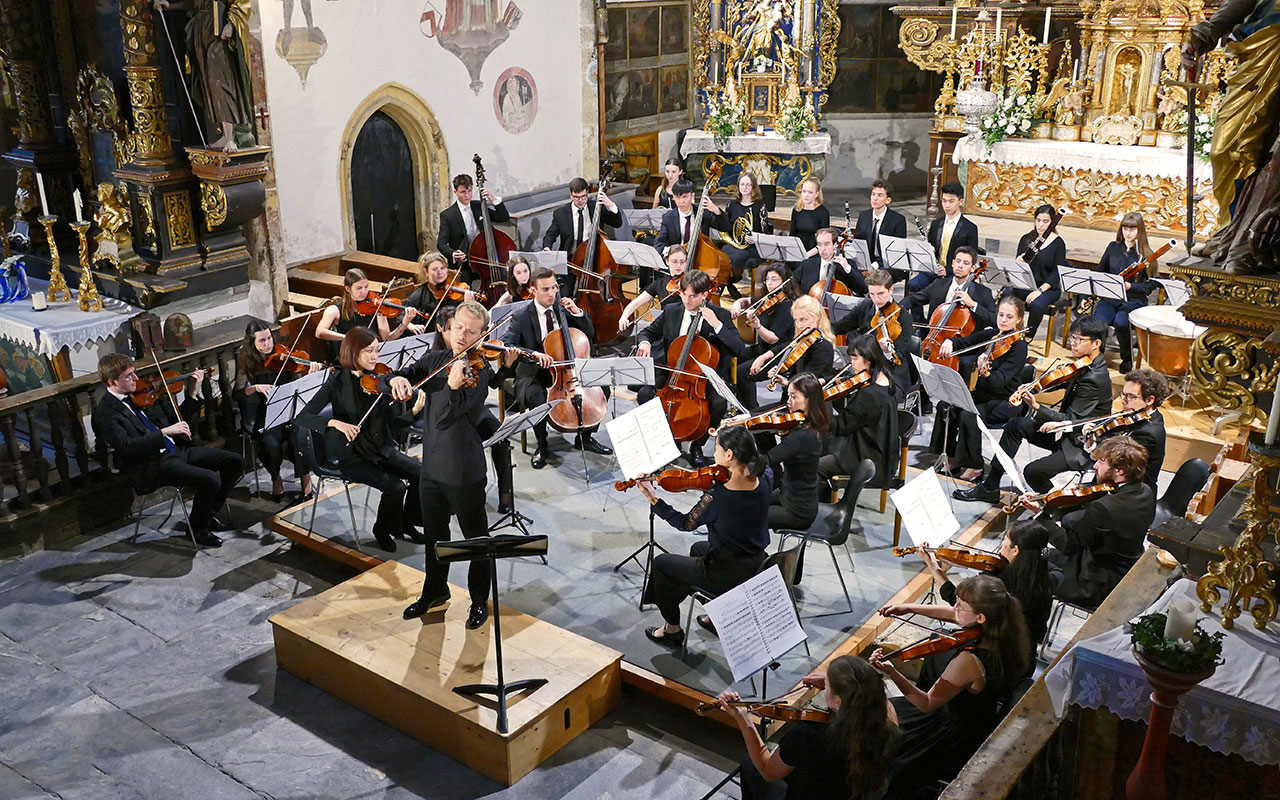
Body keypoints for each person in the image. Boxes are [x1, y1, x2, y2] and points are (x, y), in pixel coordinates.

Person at [385, 301, 498, 629]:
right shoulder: (435, 360)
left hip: (463, 471)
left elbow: (445, 417)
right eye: (458, 327)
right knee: (434, 535)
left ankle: (479, 600)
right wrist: (394, 380)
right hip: (432, 469)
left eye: (471, 331)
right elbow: (394, 376)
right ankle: (435, 591)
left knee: (475, 539)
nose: (462, 335)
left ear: (481, 336)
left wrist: (450, 387)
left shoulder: (479, 374)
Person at [875, 574, 1031, 798]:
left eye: (961, 605)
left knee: (880, 723)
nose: (954, 607)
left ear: (980, 617)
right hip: (977, 715)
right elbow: (953, 615)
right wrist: (909, 608)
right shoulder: (1003, 631)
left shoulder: (969, 662)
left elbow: (927, 703)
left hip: (949, 730)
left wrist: (891, 671)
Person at [637, 426, 772, 647]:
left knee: (662, 564)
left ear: (729, 454)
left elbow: (685, 523)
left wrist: (654, 500)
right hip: (756, 560)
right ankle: (718, 615)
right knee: (698, 548)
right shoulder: (765, 477)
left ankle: (672, 630)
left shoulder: (718, 497)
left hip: (728, 571)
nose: (714, 453)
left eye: (717, 448)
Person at [92, 353, 244, 548]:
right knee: (211, 479)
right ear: (112, 382)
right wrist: (164, 433)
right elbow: (128, 447)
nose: (136, 379)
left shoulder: (145, 396)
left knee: (235, 462)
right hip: (152, 464)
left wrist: (192, 393)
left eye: (134, 373)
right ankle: (198, 529)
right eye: (129, 376)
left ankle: (206, 515)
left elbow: (177, 420)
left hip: (177, 450)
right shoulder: (105, 413)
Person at [955, 317, 1114, 503]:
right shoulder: (1086, 364)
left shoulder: (1095, 378)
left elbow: (1068, 420)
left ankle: (1059, 505)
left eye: (1079, 339)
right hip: (1066, 433)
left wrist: (1037, 406)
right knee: (1016, 425)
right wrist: (1032, 386)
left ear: (1096, 343)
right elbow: (1062, 381)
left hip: (1079, 443)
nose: (1073, 342)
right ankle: (990, 487)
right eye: (1072, 337)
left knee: (1032, 472)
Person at [295, 327, 424, 552]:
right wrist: (335, 423)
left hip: (380, 449)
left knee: (422, 474)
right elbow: (303, 417)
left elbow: (392, 425)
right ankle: (382, 530)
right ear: (353, 352)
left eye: (376, 351)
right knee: (395, 487)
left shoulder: (382, 380)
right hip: (353, 456)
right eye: (368, 351)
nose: (375, 357)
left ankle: (406, 522)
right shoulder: (336, 381)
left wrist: (413, 412)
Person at [717, 655, 898, 800]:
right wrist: (836, 684)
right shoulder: (888, 729)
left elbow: (767, 770)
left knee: (750, 764)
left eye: (828, 685)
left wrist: (744, 718)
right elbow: (880, 701)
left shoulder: (807, 734)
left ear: (838, 701)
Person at [1019, 435, 1156, 607]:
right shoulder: (1145, 491)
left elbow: (1068, 546)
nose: (1095, 465)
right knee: (1039, 553)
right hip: (1122, 571)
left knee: (1025, 562)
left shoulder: (1103, 508)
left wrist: (1039, 514)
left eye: (1101, 461)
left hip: (1093, 584)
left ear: (1120, 471)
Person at [500, 266, 612, 468]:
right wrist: (533, 354)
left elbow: (589, 333)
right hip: (535, 371)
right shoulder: (521, 317)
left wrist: (577, 312)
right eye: (545, 289)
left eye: (554, 287)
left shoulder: (563, 310)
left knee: (602, 387)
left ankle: (585, 437)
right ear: (533, 290)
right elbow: (508, 344)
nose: (551, 293)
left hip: (567, 369)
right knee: (536, 397)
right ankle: (542, 445)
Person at [636, 270, 746, 466]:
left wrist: (716, 325)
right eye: (684, 294)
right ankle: (664, 440)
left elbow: (739, 349)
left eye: (693, 296)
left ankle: (697, 445)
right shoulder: (672, 311)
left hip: (704, 378)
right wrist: (645, 343)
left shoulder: (720, 315)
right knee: (645, 393)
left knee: (719, 403)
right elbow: (647, 332)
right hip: (673, 371)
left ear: (705, 294)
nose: (687, 300)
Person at [913, 520, 1055, 659]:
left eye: (1005, 541)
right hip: (1025, 657)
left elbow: (957, 601)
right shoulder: (1045, 580)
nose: (1001, 548)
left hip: (994, 657)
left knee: (936, 648)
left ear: (1015, 550)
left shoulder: (995, 581)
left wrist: (932, 565)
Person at [930, 296, 1029, 482]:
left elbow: (999, 382)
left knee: (969, 415)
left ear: (1018, 320)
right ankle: (951, 457)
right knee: (945, 406)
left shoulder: (1019, 346)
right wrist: (951, 342)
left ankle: (975, 466)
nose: (1003, 320)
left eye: (1009, 317)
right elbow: (966, 342)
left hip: (1006, 401)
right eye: (1001, 315)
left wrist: (985, 371)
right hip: (984, 395)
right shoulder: (994, 335)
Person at [233, 321, 322, 501]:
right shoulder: (247, 361)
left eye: (269, 338)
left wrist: (310, 374)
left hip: (291, 409)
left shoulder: (283, 355)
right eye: (262, 341)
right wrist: (255, 387)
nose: (268, 344)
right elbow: (237, 394)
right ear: (252, 343)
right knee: (269, 444)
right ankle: (276, 477)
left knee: (300, 436)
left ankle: (305, 478)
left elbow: (299, 381)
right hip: (266, 413)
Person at [819, 334, 900, 493]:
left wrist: (818, 409)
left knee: (816, 467)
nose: (852, 363)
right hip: (883, 452)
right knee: (822, 445)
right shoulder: (886, 380)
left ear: (868, 360)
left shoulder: (869, 394)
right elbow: (857, 416)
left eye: (855, 358)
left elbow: (841, 426)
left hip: (868, 458)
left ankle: (825, 503)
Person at [1093, 212, 1159, 372]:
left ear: (1140, 231)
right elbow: (1100, 271)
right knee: (1099, 323)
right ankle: (1096, 359)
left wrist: (1131, 287)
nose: (1128, 233)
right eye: (1125, 229)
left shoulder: (1146, 255)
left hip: (1133, 301)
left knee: (1121, 322)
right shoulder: (1113, 247)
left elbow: (1152, 284)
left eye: (1132, 230)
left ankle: (1127, 358)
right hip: (1110, 298)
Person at [760, 373, 827, 531]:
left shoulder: (802, 436)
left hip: (797, 510)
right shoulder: (808, 424)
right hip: (788, 494)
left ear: (809, 399)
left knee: (747, 516)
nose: (788, 402)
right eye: (788, 396)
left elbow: (767, 460)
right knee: (750, 502)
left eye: (794, 397)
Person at [832, 269, 913, 390]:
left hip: (891, 372)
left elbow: (899, 355)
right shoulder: (866, 306)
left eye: (881, 293)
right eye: (872, 294)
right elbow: (841, 326)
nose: (876, 299)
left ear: (891, 290)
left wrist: (887, 351)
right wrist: (822, 330)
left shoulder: (903, 316)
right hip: (865, 367)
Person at [542, 176, 622, 295]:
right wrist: (547, 247)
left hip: (594, 259)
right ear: (571, 195)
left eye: (583, 196)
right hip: (570, 260)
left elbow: (617, 223)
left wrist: (610, 205)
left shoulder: (596, 207)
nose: (580, 200)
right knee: (565, 295)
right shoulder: (561, 213)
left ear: (587, 193)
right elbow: (550, 234)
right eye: (576, 197)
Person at [911, 182, 979, 322]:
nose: (947, 205)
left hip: (954, 273)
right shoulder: (936, 224)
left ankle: (934, 323)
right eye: (944, 201)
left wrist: (948, 269)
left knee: (939, 292)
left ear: (960, 201)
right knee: (914, 284)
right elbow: (931, 250)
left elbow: (971, 257)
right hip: (935, 270)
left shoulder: (970, 228)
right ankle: (919, 322)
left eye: (951, 201)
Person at [731, 263, 796, 408]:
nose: (769, 283)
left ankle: (751, 410)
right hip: (762, 348)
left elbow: (773, 339)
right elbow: (747, 301)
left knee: (742, 373)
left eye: (774, 279)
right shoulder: (768, 298)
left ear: (785, 282)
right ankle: (740, 405)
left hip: (778, 354)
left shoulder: (786, 306)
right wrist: (737, 303)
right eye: (767, 279)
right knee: (733, 360)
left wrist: (758, 326)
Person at [315, 268, 413, 362]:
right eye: (359, 288)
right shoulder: (335, 310)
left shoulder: (376, 308)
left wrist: (404, 324)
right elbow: (320, 332)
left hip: (373, 358)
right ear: (348, 288)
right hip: (350, 359)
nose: (364, 292)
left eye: (366, 287)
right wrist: (346, 337)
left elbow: (387, 338)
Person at [748, 295, 836, 393]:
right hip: (793, 394)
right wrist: (763, 357)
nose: (799, 325)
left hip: (808, 398)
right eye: (796, 320)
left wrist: (785, 382)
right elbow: (783, 348)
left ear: (818, 317)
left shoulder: (823, 347)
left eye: (803, 319)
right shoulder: (803, 339)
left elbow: (806, 382)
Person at [704, 170, 773, 294]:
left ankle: (728, 283)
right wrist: (716, 211)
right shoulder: (732, 205)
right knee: (721, 257)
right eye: (742, 184)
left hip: (751, 246)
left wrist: (755, 238)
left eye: (748, 185)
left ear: (753, 187)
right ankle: (727, 284)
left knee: (737, 259)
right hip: (734, 243)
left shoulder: (760, 207)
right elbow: (726, 226)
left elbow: (766, 232)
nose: (744, 187)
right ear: (738, 186)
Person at [436, 173, 510, 286]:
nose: (467, 195)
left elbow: (503, 217)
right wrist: (453, 253)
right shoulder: (447, 215)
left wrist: (493, 199)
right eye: (463, 192)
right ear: (455, 192)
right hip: (464, 263)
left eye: (469, 191)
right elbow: (441, 244)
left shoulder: (479, 206)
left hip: (484, 257)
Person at [1005, 204, 1065, 341]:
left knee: (1037, 305)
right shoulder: (1026, 239)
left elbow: (1056, 273)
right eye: (1038, 220)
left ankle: (1028, 337)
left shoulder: (1058, 243)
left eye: (1045, 221)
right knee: (1006, 296)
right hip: (1026, 284)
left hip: (1048, 287)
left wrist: (1039, 291)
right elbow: (1017, 268)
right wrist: (1018, 262)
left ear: (1052, 223)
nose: (1041, 225)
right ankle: (1009, 332)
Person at [1105, 368, 1169, 491]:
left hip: (1133, 492)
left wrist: (1092, 446)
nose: (1123, 401)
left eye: (1131, 396)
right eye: (1123, 394)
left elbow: (1117, 465)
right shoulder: (1147, 416)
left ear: (1149, 400)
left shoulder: (1147, 434)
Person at [905, 245, 996, 332]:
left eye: (966, 263)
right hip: (933, 338)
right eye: (958, 261)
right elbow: (913, 299)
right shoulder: (938, 284)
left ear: (973, 268)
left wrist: (973, 305)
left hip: (966, 341)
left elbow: (994, 320)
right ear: (953, 263)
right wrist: (897, 309)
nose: (960, 265)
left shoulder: (983, 292)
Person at [619, 245, 691, 333]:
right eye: (674, 261)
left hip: (685, 325)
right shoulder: (659, 283)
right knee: (644, 335)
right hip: (667, 325)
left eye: (682, 262)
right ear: (667, 261)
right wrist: (624, 317)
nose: (679, 265)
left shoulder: (690, 281)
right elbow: (636, 302)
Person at [404, 251, 475, 329]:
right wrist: (410, 326)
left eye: (442, 268)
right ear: (426, 271)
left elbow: (469, 321)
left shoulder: (456, 291)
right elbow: (402, 315)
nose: (440, 272)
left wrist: (469, 306)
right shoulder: (420, 293)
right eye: (435, 269)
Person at [794, 227, 868, 297]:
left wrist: (847, 268)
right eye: (819, 244)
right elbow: (792, 285)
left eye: (826, 244)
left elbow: (864, 289)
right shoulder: (807, 264)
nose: (823, 249)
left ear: (835, 245)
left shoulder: (847, 264)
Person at [853, 179, 908, 273]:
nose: (875, 198)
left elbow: (896, 251)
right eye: (873, 194)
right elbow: (859, 241)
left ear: (888, 200)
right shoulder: (864, 216)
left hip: (888, 264)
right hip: (867, 262)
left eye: (880, 195)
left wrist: (874, 266)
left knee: (877, 277)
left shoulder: (898, 220)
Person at [654, 178, 715, 253]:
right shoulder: (668, 217)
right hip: (677, 256)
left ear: (692, 196)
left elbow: (724, 227)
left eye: (685, 197)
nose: (681, 201)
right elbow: (660, 243)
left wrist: (716, 210)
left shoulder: (703, 212)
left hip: (700, 255)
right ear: (673, 197)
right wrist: (668, 257)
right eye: (677, 197)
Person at [790, 177, 830, 254]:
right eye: (804, 191)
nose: (806, 195)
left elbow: (823, 242)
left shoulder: (823, 213)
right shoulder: (797, 210)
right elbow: (792, 235)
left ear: (816, 194)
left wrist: (807, 255)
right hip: (798, 251)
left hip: (815, 253)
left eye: (810, 192)